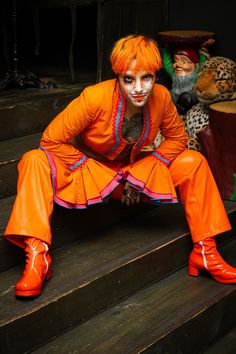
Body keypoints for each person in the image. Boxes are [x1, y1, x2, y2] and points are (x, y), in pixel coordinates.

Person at [4, 34, 236, 298]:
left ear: (155, 75)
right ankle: (38, 256)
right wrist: (87, 167)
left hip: (131, 175)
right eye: (129, 79)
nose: (139, 88)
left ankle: (206, 252)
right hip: (87, 174)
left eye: (146, 78)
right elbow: (51, 140)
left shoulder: (161, 97)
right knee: (33, 159)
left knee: (193, 161)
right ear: (118, 77)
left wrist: (143, 172)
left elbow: (177, 139)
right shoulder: (93, 98)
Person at [162, 39, 214, 114]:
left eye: (184, 62)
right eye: (176, 61)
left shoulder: (196, 75)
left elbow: (203, 64)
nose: (178, 65)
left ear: (195, 65)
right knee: (167, 95)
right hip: (174, 102)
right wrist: (165, 48)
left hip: (190, 102)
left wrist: (204, 49)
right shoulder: (175, 75)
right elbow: (167, 64)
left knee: (187, 97)